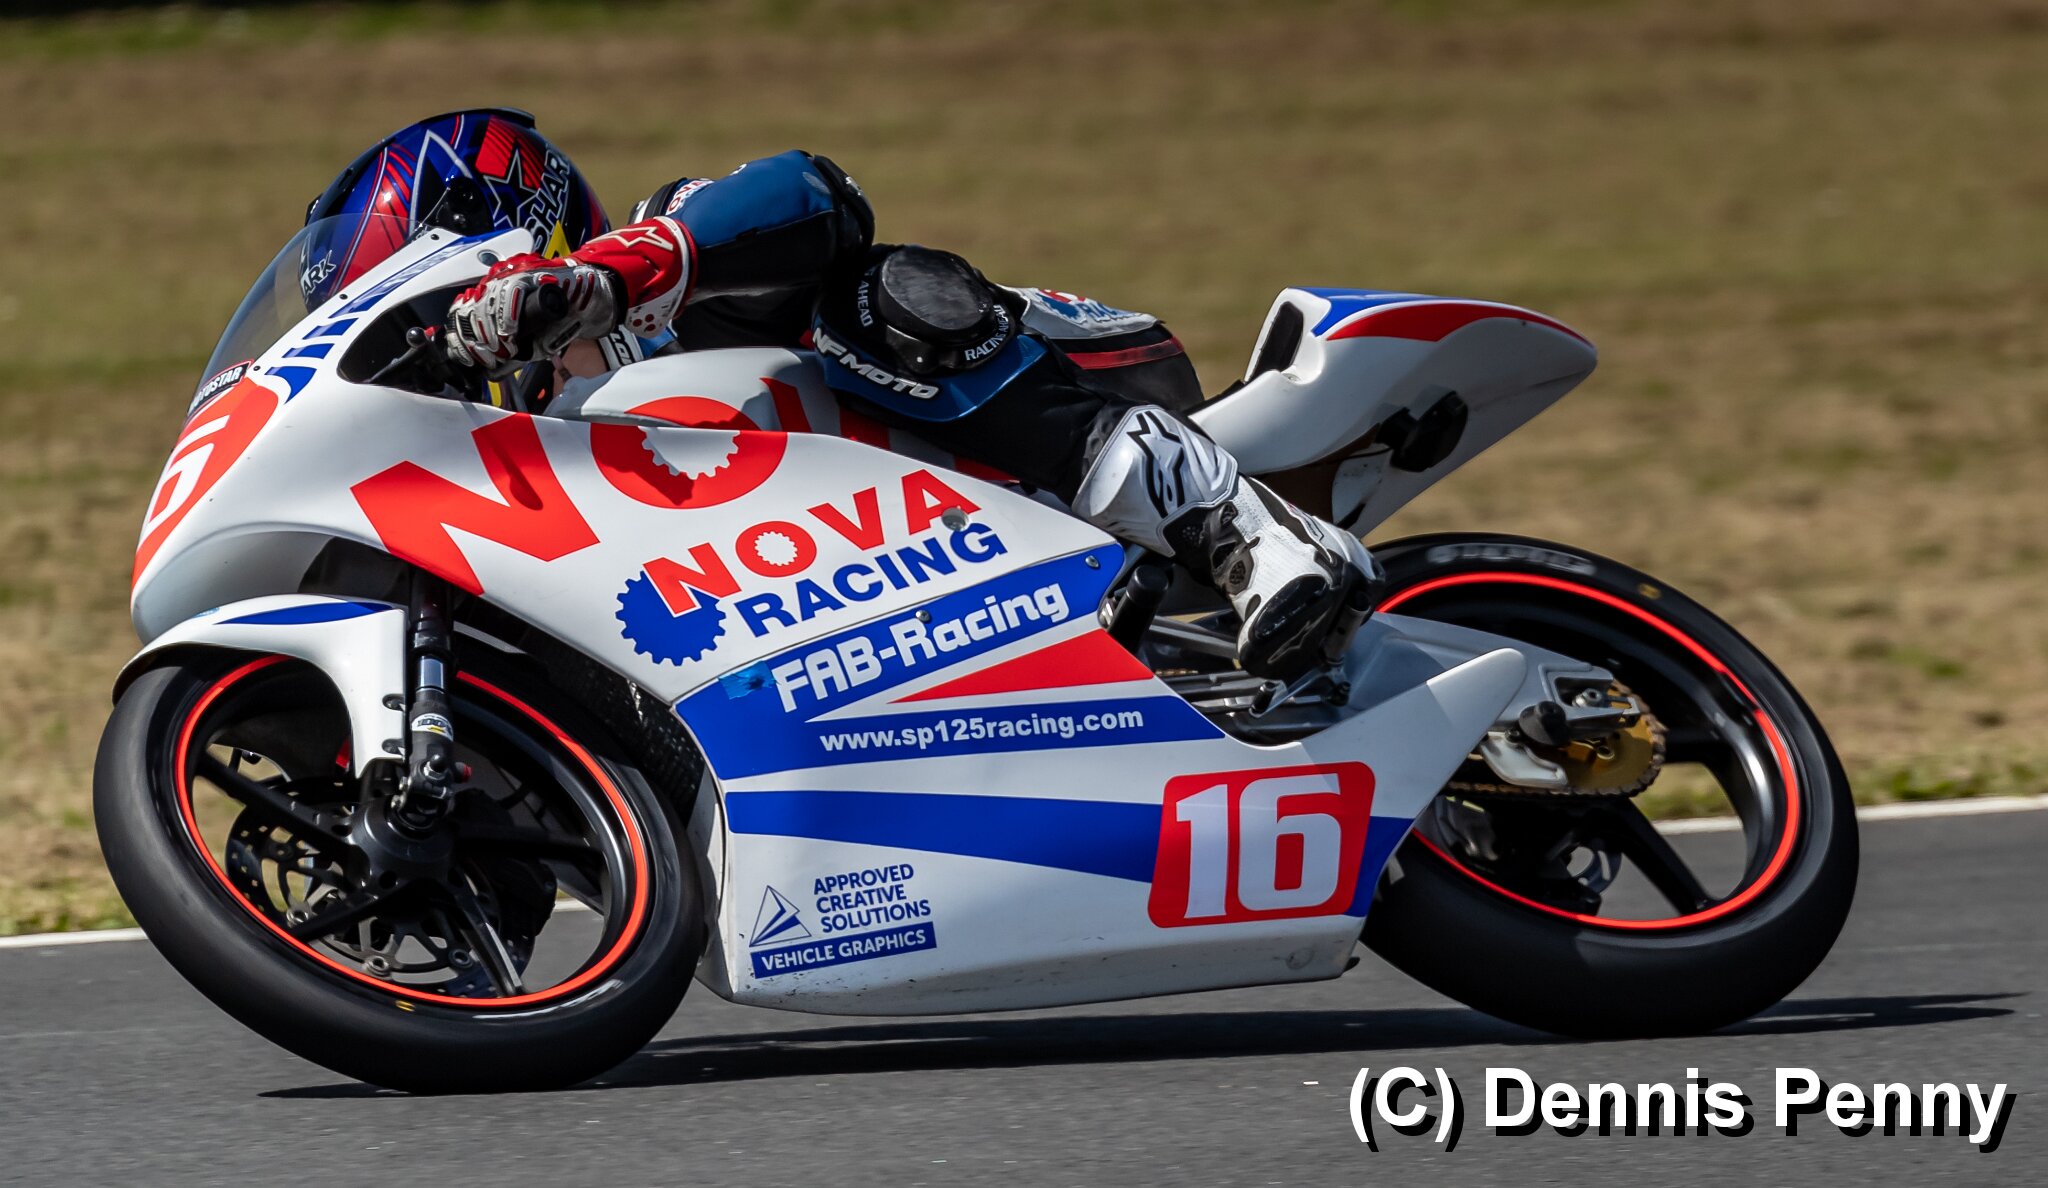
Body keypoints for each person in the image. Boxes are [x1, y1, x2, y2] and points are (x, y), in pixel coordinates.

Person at [311, 108, 1381, 681]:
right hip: (915, 606)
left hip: (1074, 390)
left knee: (865, 299)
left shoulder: (668, 263)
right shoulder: (538, 453)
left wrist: (621, 273)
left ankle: (1248, 533)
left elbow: (820, 195)